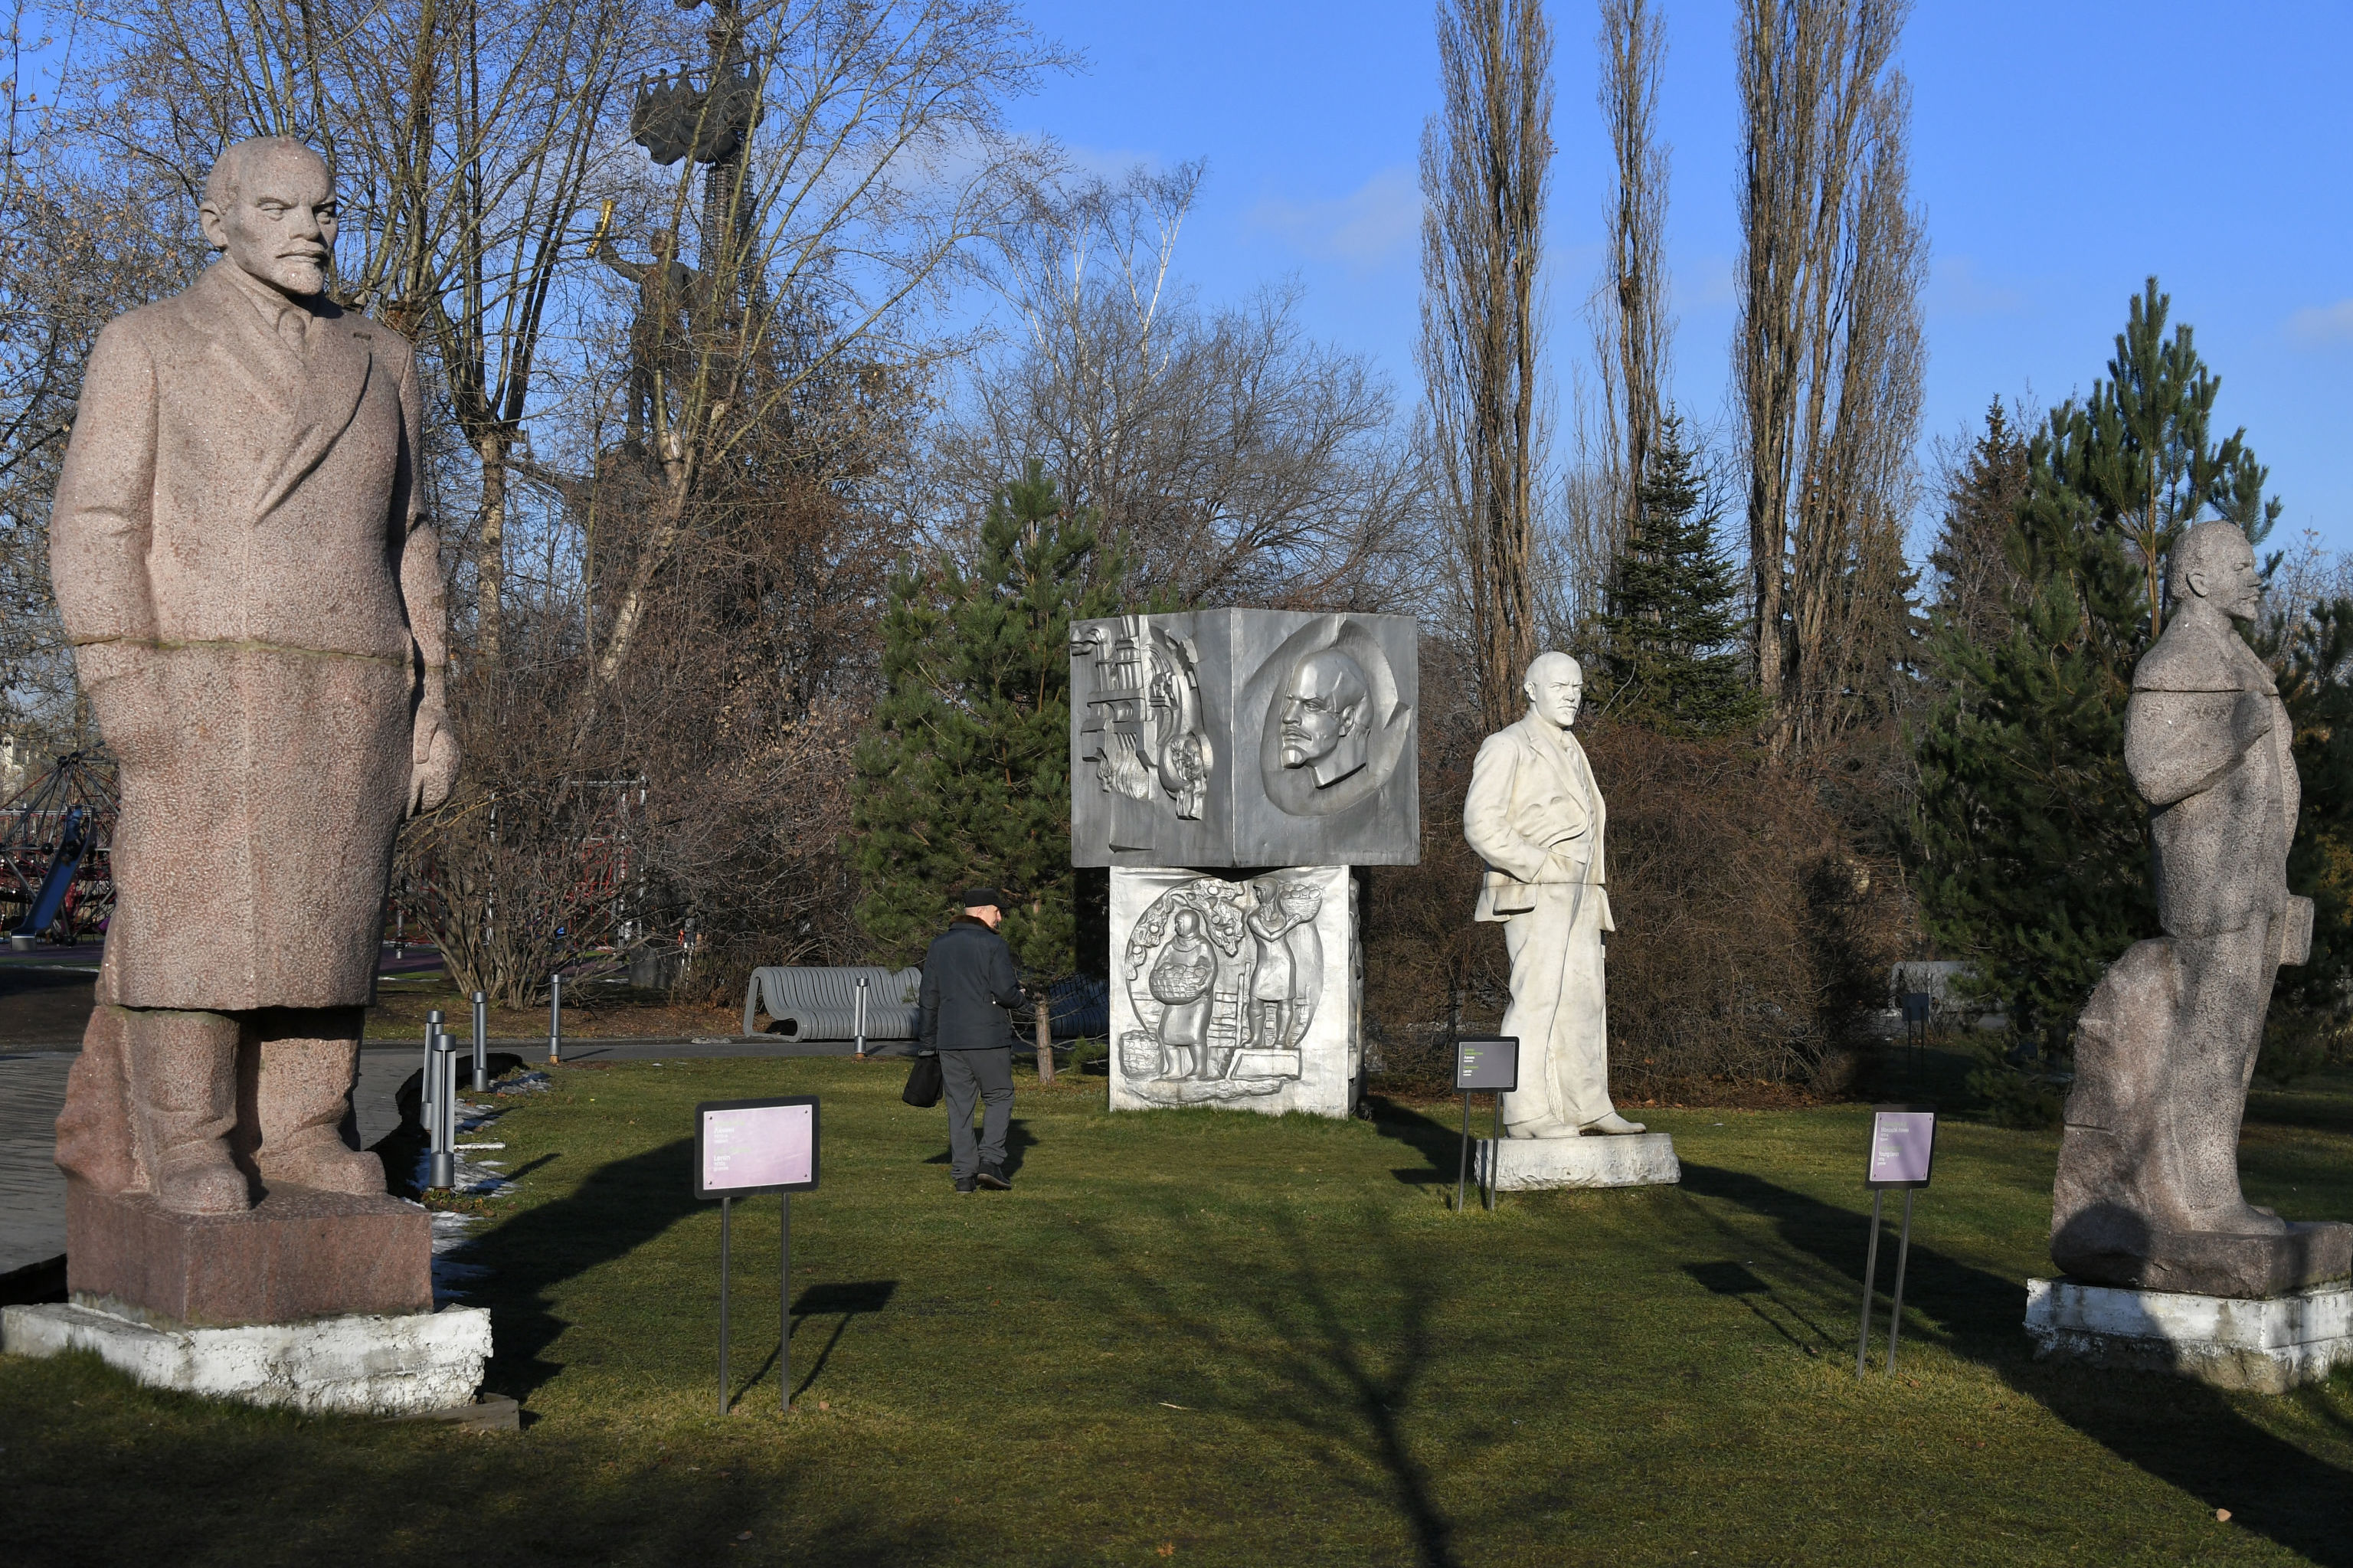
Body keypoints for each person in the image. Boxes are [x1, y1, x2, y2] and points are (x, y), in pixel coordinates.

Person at [49, 136, 457, 1213]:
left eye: (324, 208)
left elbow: (412, 536)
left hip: (354, 692)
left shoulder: (385, 359)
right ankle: (188, 1140)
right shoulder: (148, 343)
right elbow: (94, 526)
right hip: (200, 687)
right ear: (214, 218)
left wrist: (434, 707)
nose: (310, 228)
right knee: (193, 929)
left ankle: (306, 1130)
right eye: (279, 207)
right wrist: (124, 683)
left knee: (328, 931)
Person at [1462, 652, 1644, 1138]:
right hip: (1536, 890)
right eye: (1560, 686)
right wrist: (1543, 866)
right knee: (1537, 1001)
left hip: (1583, 892)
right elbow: (1481, 825)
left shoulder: (1573, 748)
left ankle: (1587, 1105)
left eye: (1577, 688)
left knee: (1586, 1000)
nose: (1571, 696)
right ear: (1531, 690)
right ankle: (1526, 1115)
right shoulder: (1507, 746)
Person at [918, 887, 1023, 1193]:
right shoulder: (993, 944)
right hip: (988, 1037)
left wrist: (927, 1045)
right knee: (1000, 1095)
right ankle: (990, 1162)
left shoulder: (938, 946)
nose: (1000, 917)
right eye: (997, 911)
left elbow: (929, 998)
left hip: (950, 1040)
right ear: (980, 911)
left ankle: (964, 1176)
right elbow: (1005, 992)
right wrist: (1020, 1000)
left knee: (960, 1106)